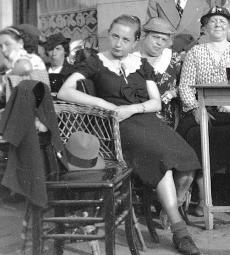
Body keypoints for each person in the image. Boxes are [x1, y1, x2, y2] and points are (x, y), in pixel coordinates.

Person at [57, 15, 202, 255]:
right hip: (115, 127)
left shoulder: (141, 64)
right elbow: (65, 91)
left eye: (125, 39)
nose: (118, 43)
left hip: (146, 119)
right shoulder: (96, 62)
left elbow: (155, 103)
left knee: (188, 159)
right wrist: (106, 105)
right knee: (161, 161)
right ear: (109, 35)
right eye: (114, 36)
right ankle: (180, 232)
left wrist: (132, 108)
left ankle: (169, 205)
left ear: (135, 42)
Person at [178, 6, 230, 216]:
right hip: (203, 110)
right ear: (205, 27)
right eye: (213, 21)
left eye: (223, 20)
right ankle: (204, 199)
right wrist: (195, 108)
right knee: (196, 135)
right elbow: (184, 86)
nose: (218, 24)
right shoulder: (195, 52)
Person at [132, 17, 182, 129]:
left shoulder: (173, 58)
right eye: (156, 37)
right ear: (144, 36)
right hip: (137, 117)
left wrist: (173, 93)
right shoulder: (131, 60)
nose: (159, 43)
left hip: (168, 120)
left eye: (164, 39)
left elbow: (186, 85)